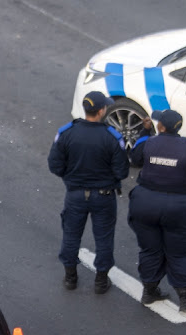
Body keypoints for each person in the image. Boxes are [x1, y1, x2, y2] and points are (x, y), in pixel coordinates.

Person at [127, 109, 186, 313]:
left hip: (145, 203)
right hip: (180, 207)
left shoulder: (147, 143)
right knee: (179, 254)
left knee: (150, 250)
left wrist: (144, 131)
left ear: (161, 127)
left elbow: (135, 159)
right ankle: (185, 300)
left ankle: (149, 292)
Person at [48, 91, 130, 293]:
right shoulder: (112, 137)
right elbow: (122, 171)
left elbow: (55, 166)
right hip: (104, 196)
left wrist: (72, 176)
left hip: (75, 194)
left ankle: (70, 278)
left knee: (71, 236)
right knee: (103, 238)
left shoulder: (66, 133)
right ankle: (101, 282)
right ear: (101, 110)